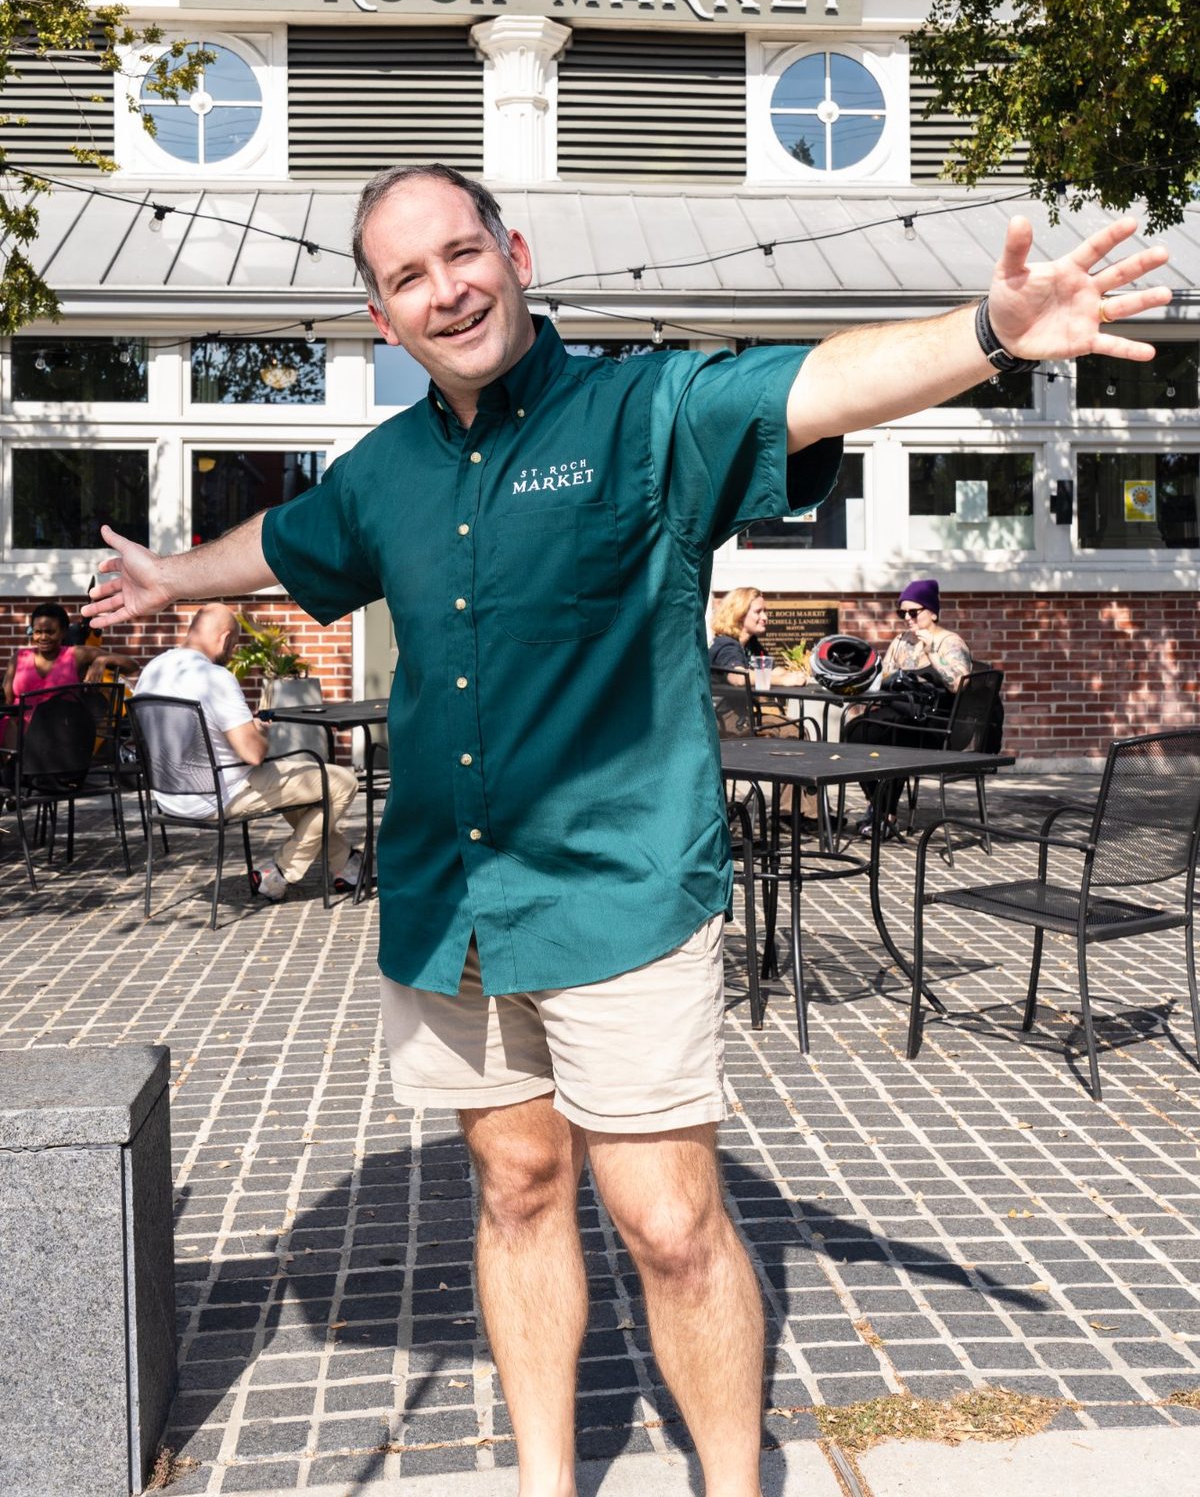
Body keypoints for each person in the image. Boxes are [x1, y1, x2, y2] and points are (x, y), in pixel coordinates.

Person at [84, 165, 1170, 1497]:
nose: (447, 288)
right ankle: (549, 1483)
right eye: (410, 276)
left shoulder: (645, 411)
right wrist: (168, 572)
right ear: (383, 320)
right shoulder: (384, 475)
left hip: (619, 890)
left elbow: (813, 383)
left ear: (516, 253)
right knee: (521, 1188)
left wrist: (989, 336)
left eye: (462, 252)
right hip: (452, 898)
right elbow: (286, 540)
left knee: (667, 1226)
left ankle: (731, 1482)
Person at [134, 603, 362, 901]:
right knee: (342, 782)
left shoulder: (152, 672)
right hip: (220, 793)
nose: (232, 653)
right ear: (226, 638)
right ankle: (279, 872)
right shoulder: (214, 678)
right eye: (235, 645)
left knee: (303, 789)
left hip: (169, 796)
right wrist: (260, 732)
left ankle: (347, 863)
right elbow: (253, 754)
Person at [843, 578, 972, 836]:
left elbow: (960, 685)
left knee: (895, 737)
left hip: (937, 724)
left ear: (932, 612)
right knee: (854, 731)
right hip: (904, 714)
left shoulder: (950, 642)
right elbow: (884, 676)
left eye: (914, 612)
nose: (908, 618)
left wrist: (931, 653)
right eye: (902, 613)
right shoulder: (902, 641)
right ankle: (879, 808)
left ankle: (884, 815)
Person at [3, 600, 135, 709]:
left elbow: (132, 665)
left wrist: (102, 660)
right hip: (18, 731)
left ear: (64, 631)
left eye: (50, 632)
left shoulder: (76, 654)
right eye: (38, 632)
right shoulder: (19, 657)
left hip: (62, 733)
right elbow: (6, 700)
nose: (43, 637)